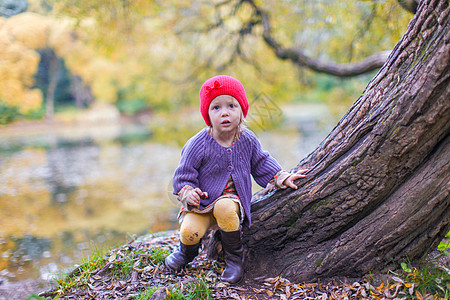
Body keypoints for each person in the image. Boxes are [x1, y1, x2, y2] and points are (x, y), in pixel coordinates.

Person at [165, 75, 308, 283]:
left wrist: (280, 176)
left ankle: (234, 260)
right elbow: (184, 174)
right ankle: (185, 254)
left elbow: (261, 162)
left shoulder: (247, 139)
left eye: (231, 105)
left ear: (241, 110)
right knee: (189, 231)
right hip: (202, 203)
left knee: (224, 207)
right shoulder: (198, 143)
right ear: (207, 114)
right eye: (216, 108)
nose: (225, 112)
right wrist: (187, 192)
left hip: (231, 200)